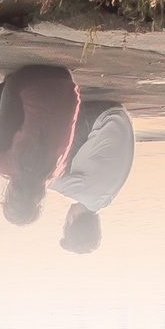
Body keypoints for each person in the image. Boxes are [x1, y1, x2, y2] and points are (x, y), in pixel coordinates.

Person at [0, 66, 81, 227]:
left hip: (66, 79)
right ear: (9, 196)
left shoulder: (55, 171)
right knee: (0, 143)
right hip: (25, 79)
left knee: (24, 132)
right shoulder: (5, 166)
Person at [49, 101, 135, 254]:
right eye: (64, 225)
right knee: (51, 159)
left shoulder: (104, 200)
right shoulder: (84, 193)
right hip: (102, 114)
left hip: (120, 116)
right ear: (71, 221)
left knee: (65, 166)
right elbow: (43, 180)